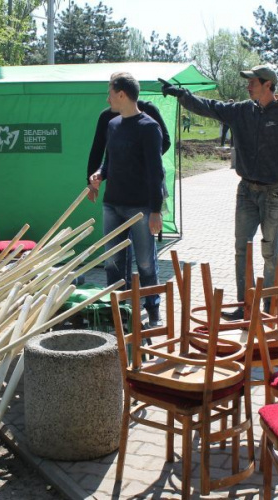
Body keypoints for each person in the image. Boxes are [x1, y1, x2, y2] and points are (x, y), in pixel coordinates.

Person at [160, 65, 278, 320]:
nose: (248, 86)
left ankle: (267, 310)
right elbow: (211, 107)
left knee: (270, 251)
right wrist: (182, 95)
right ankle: (245, 306)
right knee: (241, 249)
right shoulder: (243, 110)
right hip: (246, 191)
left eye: (252, 82)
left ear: (268, 84)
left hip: (274, 193)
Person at [89, 72, 165, 326]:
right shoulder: (113, 124)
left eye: (110, 92)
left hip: (141, 207)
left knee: (145, 263)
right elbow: (109, 160)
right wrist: (100, 173)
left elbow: (157, 172)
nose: (107, 98)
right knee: (112, 261)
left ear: (121, 94)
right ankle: (118, 312)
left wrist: (156, 210)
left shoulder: (149, 127)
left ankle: (153, 309)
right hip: (113, 204)